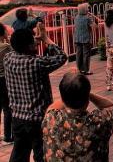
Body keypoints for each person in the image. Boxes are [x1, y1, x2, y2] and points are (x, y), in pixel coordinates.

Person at [5, 27, 67, 162]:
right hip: (36, 119)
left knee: (19, 153)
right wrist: (46, 39)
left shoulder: (8, 59)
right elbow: (62, 57)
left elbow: (18, 47)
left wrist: (33, 40)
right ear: (28, 46)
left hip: (17, 117)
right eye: (34, 41)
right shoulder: (36, 63)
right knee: (41, 154)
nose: (36, 43)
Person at [42, 72, 113, 161]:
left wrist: (69, 90)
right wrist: (85, 92)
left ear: (63, 98)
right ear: (87, 101)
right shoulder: (99, 121)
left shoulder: (51, 119)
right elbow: (111, 106)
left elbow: (51, 108)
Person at [74, 3, 95, 75]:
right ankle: (86, 70)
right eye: (87, 8)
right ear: (85, 10)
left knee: (78, 54)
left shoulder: (76, 17)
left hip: (77, 38)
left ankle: (80, 69)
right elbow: (94, 26)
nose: (88, 9)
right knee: (86, 54)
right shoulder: (87, 18)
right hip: (86, 38)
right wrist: (92, 19)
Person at [0, 23, 12, 144]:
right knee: (7, 108)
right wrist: (8, 39)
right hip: (3, 80)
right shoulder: (5, 46)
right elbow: (15, 54)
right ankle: (7, 136)